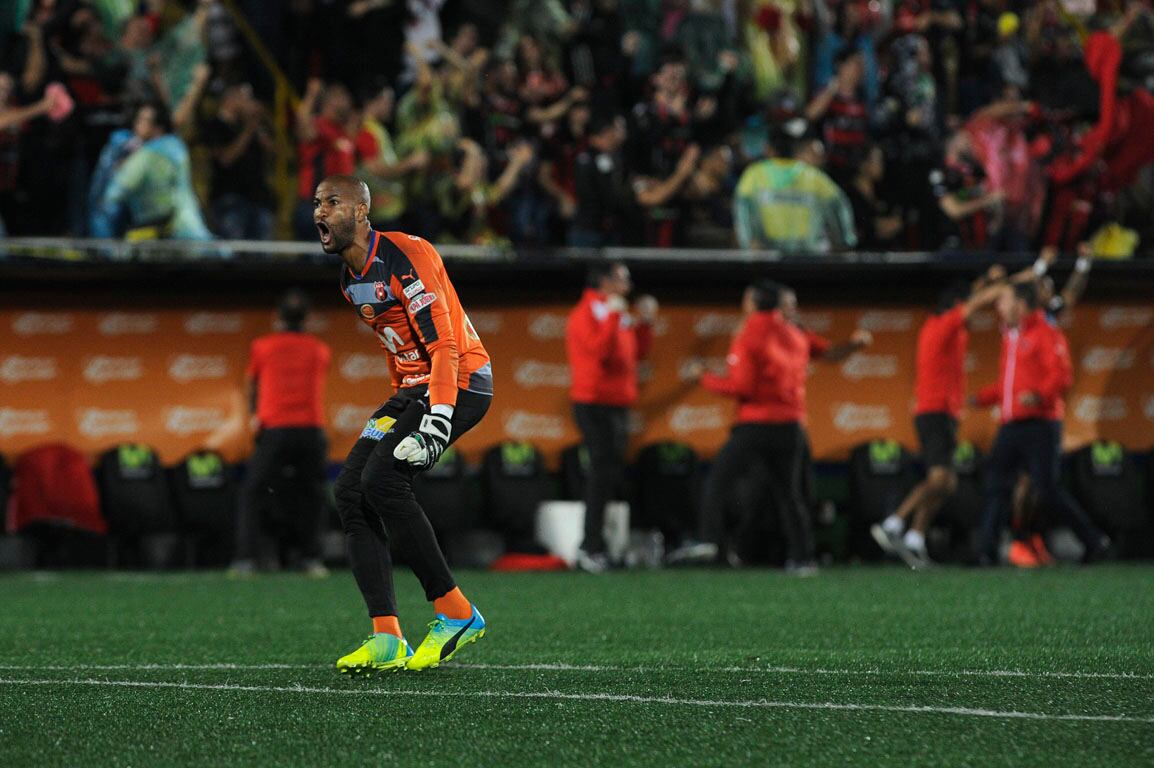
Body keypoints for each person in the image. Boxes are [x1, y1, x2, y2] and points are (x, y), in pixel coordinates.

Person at [315, 174, 492, 673]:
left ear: (362, 211)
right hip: (414, 387)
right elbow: (397, 349)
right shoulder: (350, 280)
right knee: (351, 491)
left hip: (460, 381)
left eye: (332, 202)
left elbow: (444, 345)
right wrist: (401, 400)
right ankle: (388, 637)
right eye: (317, 203)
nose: (319, 212)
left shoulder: (405, 255)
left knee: (383, 480)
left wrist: (437, 419)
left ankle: (457, 613)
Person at [669, 280, 872, 574]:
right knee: (789, 495)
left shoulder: (749, 331)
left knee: (717, 482)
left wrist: (703, 376)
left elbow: (741, 387)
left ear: (753, 303)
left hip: (756, 424)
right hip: (791, 426)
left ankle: (710, 541)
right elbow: (829, 353)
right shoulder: (796, 332)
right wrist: (854, 344)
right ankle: (802, 558)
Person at [871, 266, 1008, 568]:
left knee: (948, 484)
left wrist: (986, 280)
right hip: (935, 412)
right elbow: (973, 303)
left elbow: (971, 296)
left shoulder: (945, 325)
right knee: (939, 479)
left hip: (942, 413)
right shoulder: (944, 323)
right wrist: (1003, 287)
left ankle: (914, 538)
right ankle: (893, 524)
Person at [973, 281, 1110, 566]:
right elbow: (1010, 385)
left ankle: (1094, 541)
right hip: (1012, 424)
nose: (999, 307)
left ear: (1021, 305)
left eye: (1004, 301)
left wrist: (1038, 396)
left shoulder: (1045, 332)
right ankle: (985, 551)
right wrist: (984, 397)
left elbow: (1062, 376)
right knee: (996, 483)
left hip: (1040, 424)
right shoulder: (1011, 336)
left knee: (1047, 489)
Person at [229, 289, 332, 578]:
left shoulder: (262, 346)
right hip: (310, 429)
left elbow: (250, 385)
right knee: (311, 494)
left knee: (253, 492)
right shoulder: (319, 349)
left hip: (274, 429)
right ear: (307, 319)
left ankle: (246, 559)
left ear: (277, 317)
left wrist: (254, 415)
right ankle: (311, 558)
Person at [565, 261, 657, 573]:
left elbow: (634, 354)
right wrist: (616, 317)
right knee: (600, 474)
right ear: (605, 281)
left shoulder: (613, 311)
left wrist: (645, 325)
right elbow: (599, 353)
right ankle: (589, 547)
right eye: (622, 278)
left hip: (617, 403)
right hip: (594, 403)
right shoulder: (587, 313)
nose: (628, 284)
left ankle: (601, 545)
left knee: (609, 476)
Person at [733, 135, 857, 253]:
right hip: (808, 257)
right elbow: (838, 205)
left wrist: (747, 243)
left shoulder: (754, 174)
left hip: (767, 256)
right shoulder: (813, 175)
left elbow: (742, 207)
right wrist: (844, 241)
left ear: (768, 148)